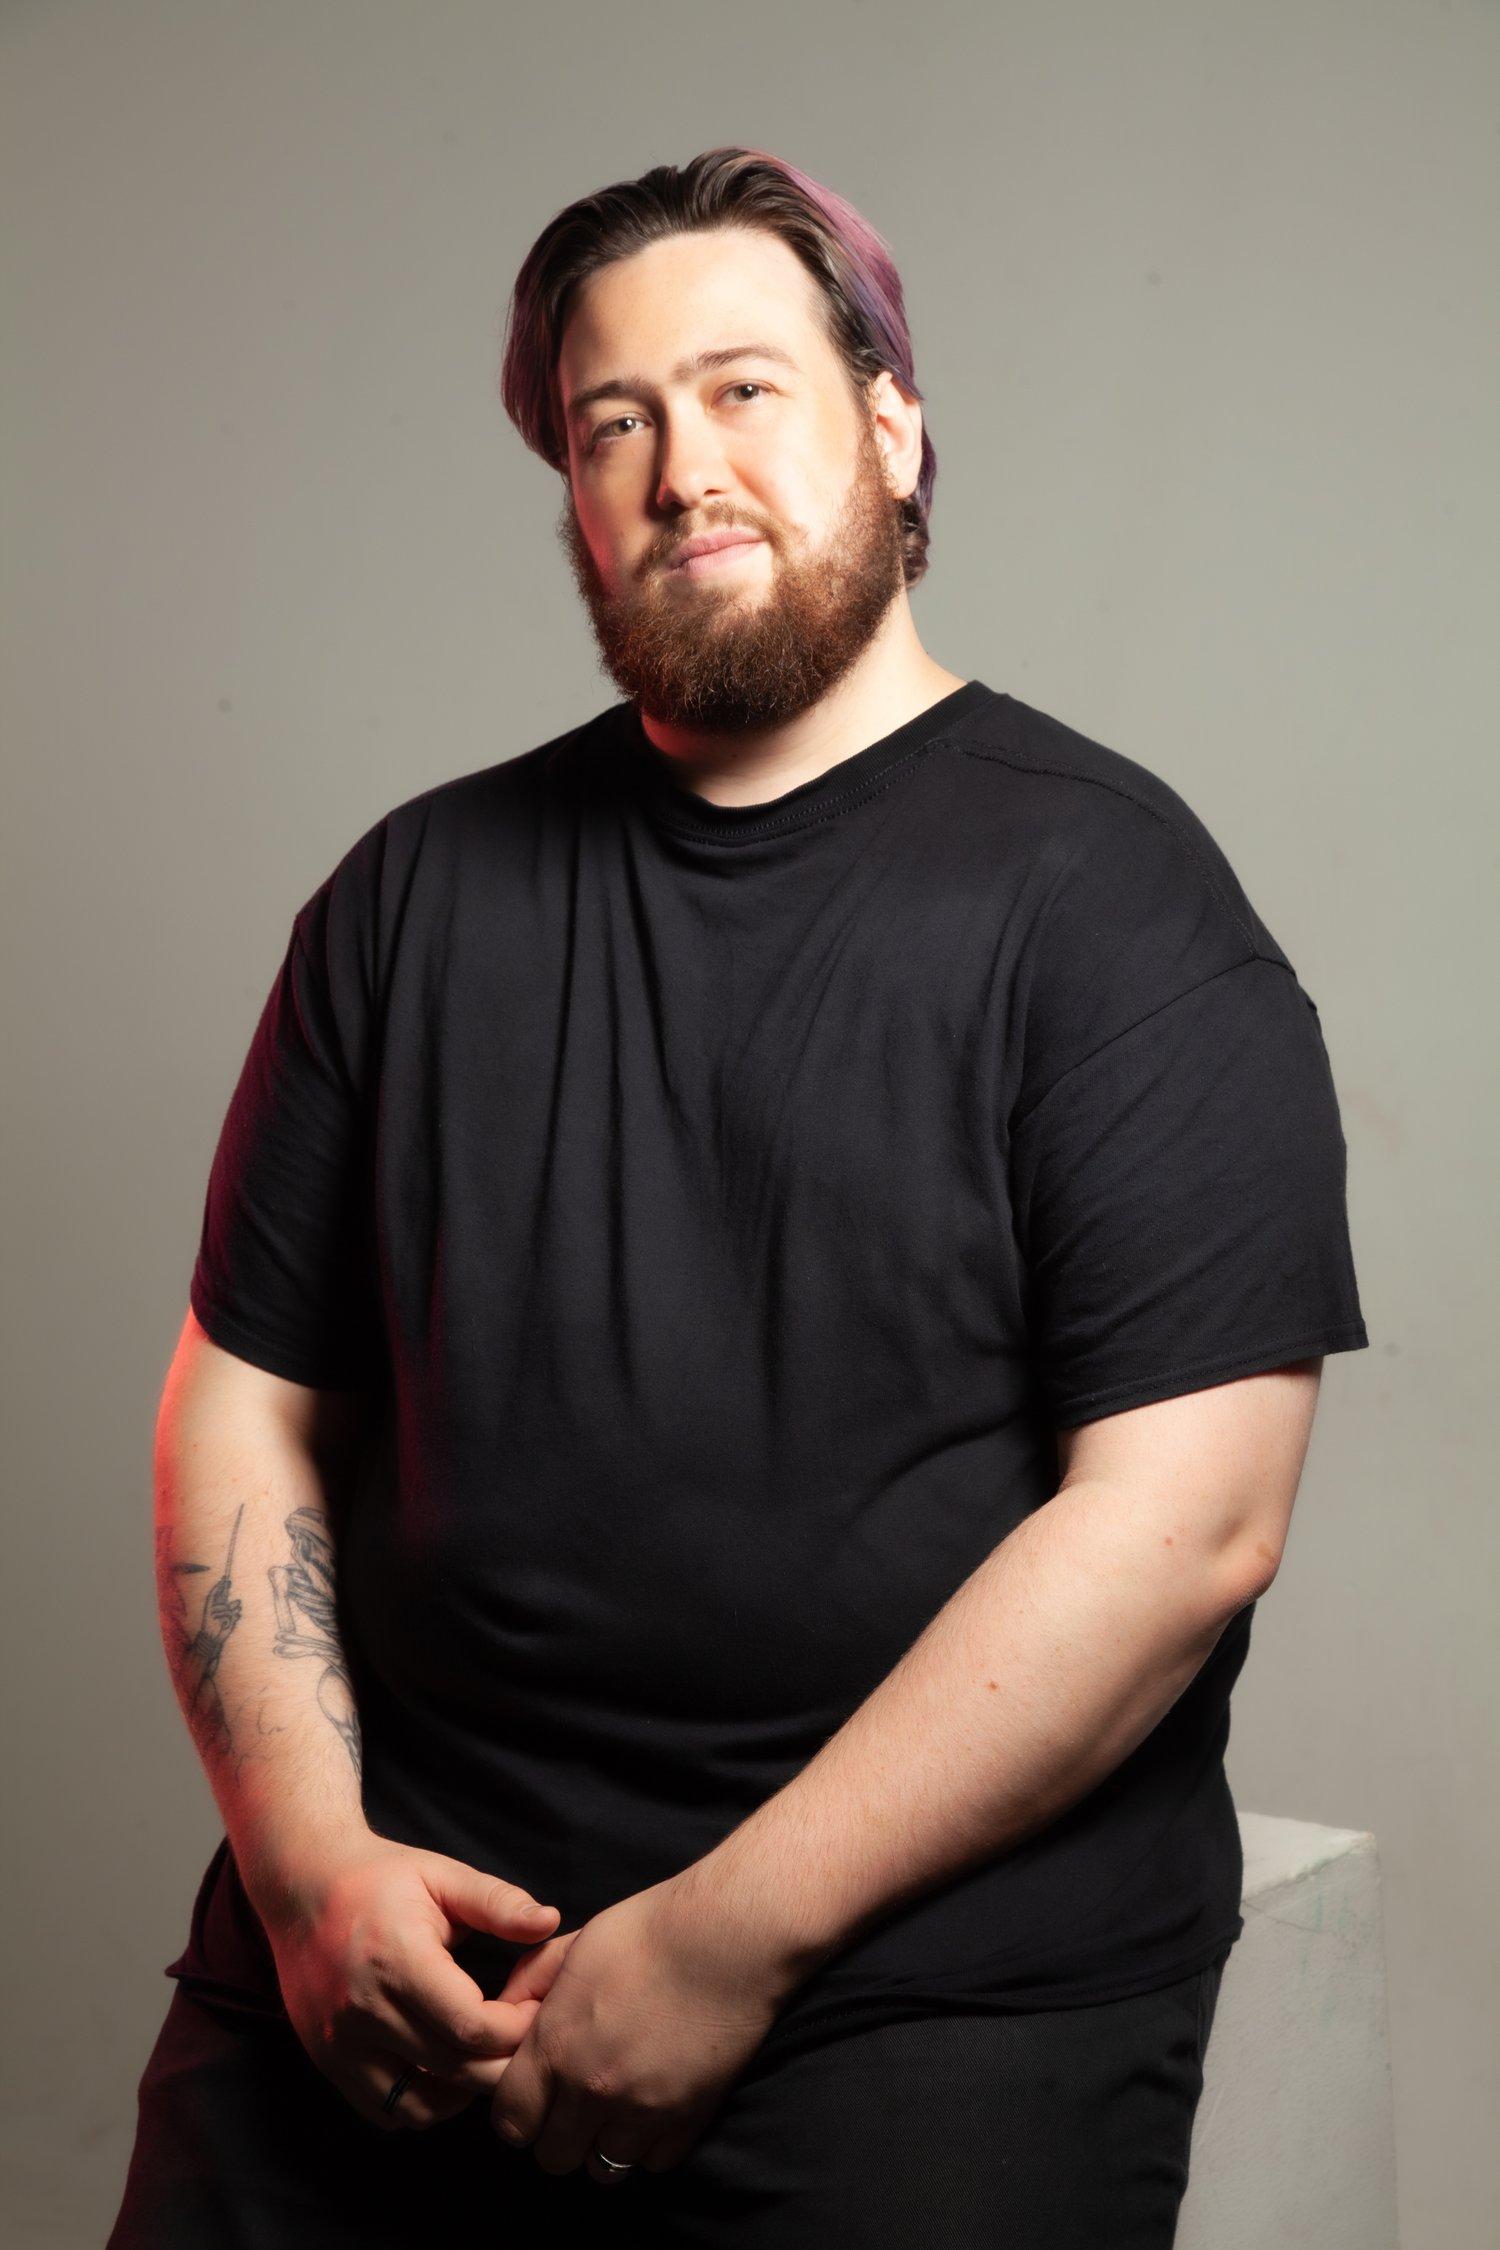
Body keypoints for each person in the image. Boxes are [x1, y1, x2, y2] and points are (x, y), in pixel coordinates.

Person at [108, 146, 1369, 2247]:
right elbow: (236, 1401)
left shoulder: (1119, 906)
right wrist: (311, 1864)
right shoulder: (408, 901)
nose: (684, 465)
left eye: (745, 390)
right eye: (618, 423)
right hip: (399, 1955)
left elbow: (1186, 1523)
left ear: (890, 424)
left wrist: (727, 1939)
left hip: (904, 1995)